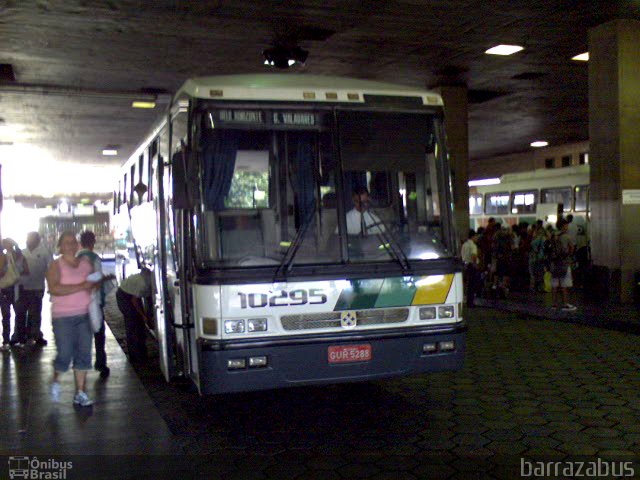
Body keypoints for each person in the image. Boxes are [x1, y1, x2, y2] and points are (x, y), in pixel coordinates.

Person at [46, 232, 97, 407]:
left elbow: (93, 283)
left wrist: (95, 284)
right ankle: (56, 378)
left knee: (84, 354)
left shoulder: (85, 264)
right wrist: (81, 286)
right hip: (63, 317)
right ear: (60, 246)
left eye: (73, 242)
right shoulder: (55, 265)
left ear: (77, 245)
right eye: (66, 242)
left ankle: (80, 392)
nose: (70, 245)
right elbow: (54, 289)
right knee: (65, 354)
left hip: (84, 315)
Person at [77, 231, 111, 378]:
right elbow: (96, 281)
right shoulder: (94, 258)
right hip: (93, 301)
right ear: (93, 242)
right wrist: (106, 278)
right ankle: (100, 364)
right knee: (98, 333)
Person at [15, 232, 52, 346]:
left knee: (35, 313)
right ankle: (19, 335)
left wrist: (51, 287)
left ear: (37, 240)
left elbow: (51, 269)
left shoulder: (45, 252)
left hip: (36, 287)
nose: (28, 240)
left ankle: (35, 335)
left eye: (30, 238)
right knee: (20, 313)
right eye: (27, 238)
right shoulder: (22, 252)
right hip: (22, 287)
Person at [116, 269, 153, 363]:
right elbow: (134, 301)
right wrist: (143, 315)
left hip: (130, 295)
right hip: (124, 297)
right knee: (132, 324)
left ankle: (140, 353)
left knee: (139, 324)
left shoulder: (147, 281)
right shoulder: (142, 284)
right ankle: (135, 355)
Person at [0, 239, 28, 350]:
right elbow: (27, 271)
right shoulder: (20, 256)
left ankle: (6, 341)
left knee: (6, 316)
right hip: (18, 288)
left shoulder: (3, 256)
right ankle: (21, 339)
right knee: (20, 315)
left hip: (5, 290)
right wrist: (16, 273)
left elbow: (1, 273)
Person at [548, 219, 576, 311]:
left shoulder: (552, 235)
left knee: (554, 283)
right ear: (563, 226)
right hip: (564, 262)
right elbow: (571, 248)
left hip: (554, 262)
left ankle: (554, 304)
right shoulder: (567, 236)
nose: (567, 227)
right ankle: (565, 304)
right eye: (566, 225)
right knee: (564, 284)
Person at [461, 229, 480, 307]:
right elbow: (474, 256)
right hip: (472, 266)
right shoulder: (473, 245)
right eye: (476, 236)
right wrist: (476, 265)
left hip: (465, 265)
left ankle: (468, 301)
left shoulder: (464, 244)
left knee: (468, 284)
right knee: (472, 285)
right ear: (473, 236)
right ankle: (471, 302)